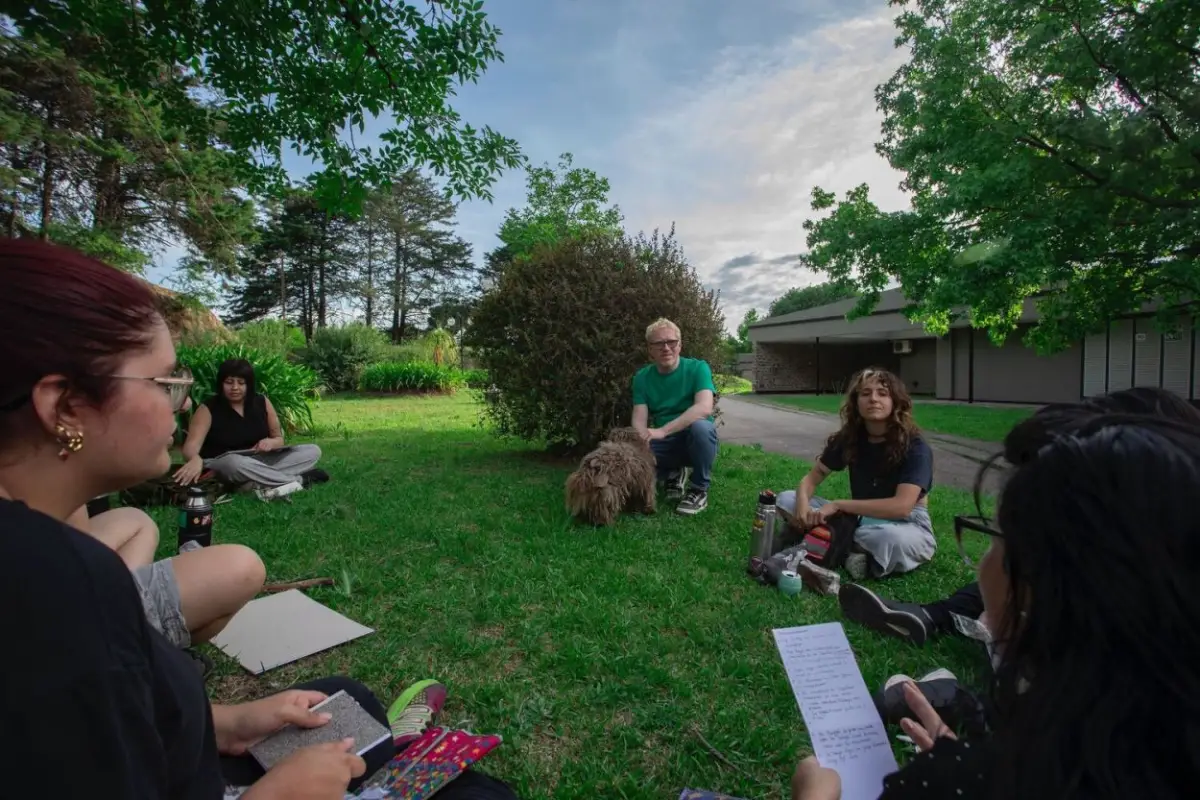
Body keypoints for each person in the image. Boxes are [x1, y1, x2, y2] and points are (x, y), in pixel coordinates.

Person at [0, 240, 516, 800]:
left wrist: (227, 723)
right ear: (65, 407)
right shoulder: (54, 590)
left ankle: (386, 743)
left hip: (189, 749)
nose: (179, 401)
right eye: (165, 382)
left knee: (344, 698)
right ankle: (396, 750)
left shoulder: (59, 560)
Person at [791, 403, 1200, 799]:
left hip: (899, 527)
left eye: (997, 538)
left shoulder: (975, 779)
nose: (984, 563)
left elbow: (902, 507)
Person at [776, 367, 935, 579]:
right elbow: (810, 481)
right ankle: (849, 549)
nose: (873, 399)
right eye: (866, 393)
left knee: (889, 539)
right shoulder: (850, 438)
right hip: (858, 519)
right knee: (786, 499)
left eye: (882, 393)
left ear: (895, 401)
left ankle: (831, 541)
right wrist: (803, 507)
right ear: (856, 401)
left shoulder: (916, 446)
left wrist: (838, 505)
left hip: (905, 524)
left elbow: (902, 507)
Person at [68, 503, 266, 653]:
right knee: (243, 568)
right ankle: (127, 635)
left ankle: (125, 598)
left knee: (136, 520)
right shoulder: (56, 459)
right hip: (69, 622)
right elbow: (71, 550)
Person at [175, 358, 327, 500]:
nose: (235, 388)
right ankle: (298, 480)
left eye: (241, 383)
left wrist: (270, 443)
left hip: (259, 460)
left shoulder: (262, 402)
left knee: (312, 450)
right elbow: (190, 447)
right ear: (221, 384)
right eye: (229, 382)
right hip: (224, 463)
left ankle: (251, 484)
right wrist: (195, 459)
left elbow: (279, 438)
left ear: (249, 384)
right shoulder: (208, 408)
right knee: (233, 463)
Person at [631, 317, 719, 516]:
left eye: (671, 342)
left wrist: (662, 430)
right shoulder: (642, 378)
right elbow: (638, 419)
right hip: (666, 442)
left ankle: (698, 490)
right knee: (636, 451)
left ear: (680, 345)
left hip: (694, 441)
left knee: (701, 428)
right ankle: (673, 472)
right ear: (650, 349)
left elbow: (704, 408)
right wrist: (641, 441)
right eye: (658, 343)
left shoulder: (698, 368)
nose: (666, 348)